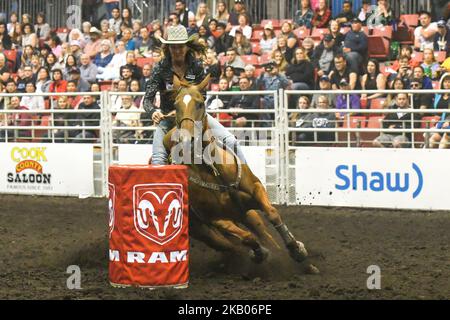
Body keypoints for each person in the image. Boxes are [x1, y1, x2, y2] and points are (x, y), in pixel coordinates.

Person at [143, 25, 245, 165]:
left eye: (180, 46)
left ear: (187, 47)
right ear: (168, 48)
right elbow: (147, 100)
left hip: (196, 118)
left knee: (232, 141)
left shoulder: (196, 67)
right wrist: (153, 112)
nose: (177, 50)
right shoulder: (160, 69)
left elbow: (202, 95)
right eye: (173, 47)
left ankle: (249, 182)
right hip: (168, 120)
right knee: (158, 159)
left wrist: (186, 108)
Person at [428, 73, 450, 148]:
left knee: (443, 143)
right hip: (442, 122)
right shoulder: (438, 95)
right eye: (445, 82)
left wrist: (448, 121)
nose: (447, 84)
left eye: (449, 82)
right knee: (430, 139)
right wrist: (436, 117)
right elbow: (436, 110)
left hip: (447, 123)